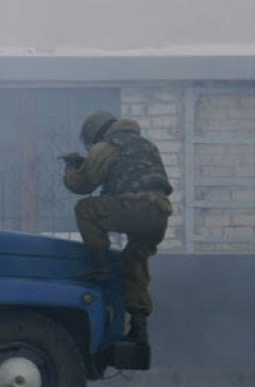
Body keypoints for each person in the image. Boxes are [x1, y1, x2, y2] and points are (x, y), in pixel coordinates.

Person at [62, 110, 173, 348]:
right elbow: (131, 173)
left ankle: (100, 267)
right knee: (134, 264)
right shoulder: (146, 145)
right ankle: (139, 328)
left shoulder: (106, 146)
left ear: (96, 133)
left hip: (135, 208)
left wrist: (71, 167)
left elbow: (81, 185)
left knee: (86, 209)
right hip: (158, 214)